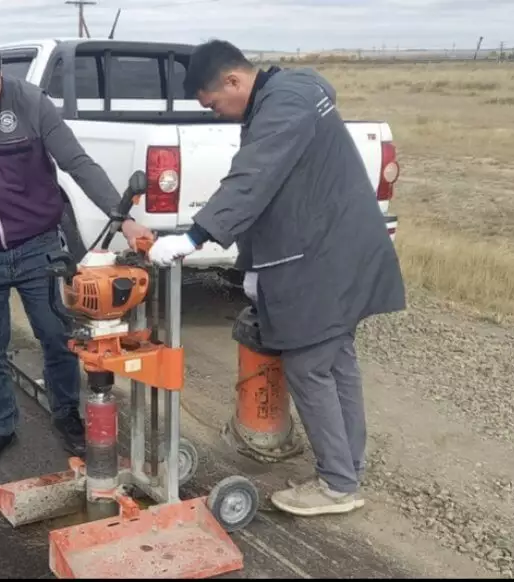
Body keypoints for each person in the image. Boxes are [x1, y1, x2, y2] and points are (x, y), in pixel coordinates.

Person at [149, 40, 406, 517]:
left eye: (214, 105)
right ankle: (348, 466)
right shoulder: (294, 89)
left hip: (324, 257)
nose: (217, 114)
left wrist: (195, 237)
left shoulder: (284, 102)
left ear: (233, 81)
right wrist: (251, 265)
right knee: (337, 362)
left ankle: (336, 485)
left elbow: (253, 178)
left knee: (310, 366)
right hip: (336, 248)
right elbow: (275, 190)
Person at [0, 32, 155, 466]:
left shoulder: (31, 102)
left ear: (1, 76)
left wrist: (123, 217)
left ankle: (67, 416)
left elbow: (78, 162)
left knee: (57, 339)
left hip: (40, 249)